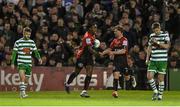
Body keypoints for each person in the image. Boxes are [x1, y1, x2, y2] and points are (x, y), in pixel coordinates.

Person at [64, 23, 98, 98]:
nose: (95, 29)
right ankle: (67, 84)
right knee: (76, 72)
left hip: (89, 57)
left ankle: (84, 91)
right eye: (94, 27)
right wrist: (98, 54)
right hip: (82, 57)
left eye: (96, 27)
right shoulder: (87, 36)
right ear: (90, 29)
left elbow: (86, 45)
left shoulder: (93, 35)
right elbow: (89, 49)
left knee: (89, 73)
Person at [11, 27, 42, 98]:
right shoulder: (18, 42)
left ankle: (22, 92)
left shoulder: (32, 42)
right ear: (23, 33)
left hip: (29, 63)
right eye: (26, 34)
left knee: (26, 80)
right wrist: (12, 63)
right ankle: (23, 93)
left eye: (29, 34)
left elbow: (35, 51)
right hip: (21, 62)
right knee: (22, 77)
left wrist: (39, 58)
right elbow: (14, 53)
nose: (28, 36)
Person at [100, 25, 128, 98]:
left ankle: (131, 77)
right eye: (114, 31)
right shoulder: (114, 41)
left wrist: (113, 53)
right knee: (116, 75)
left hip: (123, 61)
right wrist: (103, 53)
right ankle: (115, 92)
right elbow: (109, 49)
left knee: (127, 77)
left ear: (120, 31)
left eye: (116, 31)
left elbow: (124, 51)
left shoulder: (124, 40)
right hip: (116, 61)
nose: (114, 32)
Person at [146, 22, 170, 100]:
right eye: (155, 30)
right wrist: (147, 58)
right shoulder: (152, 36)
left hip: (162, 60)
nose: (156, 32)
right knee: (149, 76)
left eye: (157, 30)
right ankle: (155, 91)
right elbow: (149, 48)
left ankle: (160, 95)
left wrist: (158, 42)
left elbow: (167, 46)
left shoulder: (165, 35)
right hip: (153, 59)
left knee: (160, 78)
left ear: (160, 28)